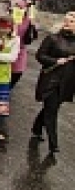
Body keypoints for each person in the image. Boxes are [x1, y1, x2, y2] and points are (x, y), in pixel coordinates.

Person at [31, 12, 75, 153]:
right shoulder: (53, 38)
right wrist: (56, 60)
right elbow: (40, 55)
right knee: (52, 111)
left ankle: (37, 128)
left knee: (51, 108)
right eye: (67, 20)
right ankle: (53, 144)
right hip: (51, 81)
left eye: (72, 21)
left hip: (67, 83)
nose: (68, 23)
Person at [10, 0, 37, 89]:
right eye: (16, 7)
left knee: (16, 74)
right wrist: (14, 26)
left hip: (20, 51)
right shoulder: (8, 18)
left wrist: (32, 25)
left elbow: (30, 39)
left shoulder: (28, 21)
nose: (18, 9)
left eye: (21, 7)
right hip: (7, 50)